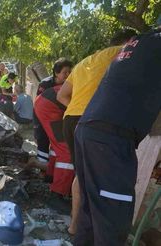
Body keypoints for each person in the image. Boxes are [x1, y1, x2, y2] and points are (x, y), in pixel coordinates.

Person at [73, 23, 161, 245]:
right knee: (113, 219)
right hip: (110, 139)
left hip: (90, 129)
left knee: (91, 215)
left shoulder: (143, 40)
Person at [56, 28, 137, 235]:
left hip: (72, 119)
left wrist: (80, 113)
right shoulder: (123, 52)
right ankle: (96, 230)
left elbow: (62, 96)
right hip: (95, 121)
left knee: (81, 175)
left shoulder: (85, 62)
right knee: (98, 178)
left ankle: (75, 226)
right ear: (129, 42)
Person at [34, 84, 75, 206]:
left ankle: (51, 176)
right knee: (67, 152)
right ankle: (57, 194)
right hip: (50, 107)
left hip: (45, 103)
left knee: (58, 145)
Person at [34, 58, 73, 166]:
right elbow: (38, 105)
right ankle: (41, 168)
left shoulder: (69, 84)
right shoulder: (45, 84)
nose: (68, 74)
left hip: (58, 117)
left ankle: (50, 169)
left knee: (57, 142)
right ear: (56, 73)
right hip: (43, 116)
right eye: (65, 72)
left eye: (70, 72)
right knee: (43, 140)